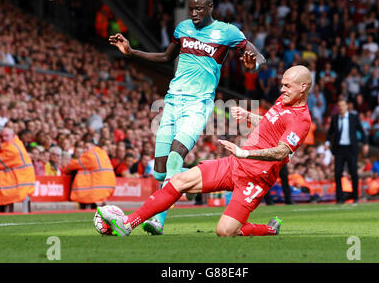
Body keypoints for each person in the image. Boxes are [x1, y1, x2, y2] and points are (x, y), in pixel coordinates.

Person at [108, 0, 265, 235]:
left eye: (199, 9)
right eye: (191, 8)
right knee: (160, 172)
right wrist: (131, 52)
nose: (193, 13)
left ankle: (158, 221)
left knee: (174, 159)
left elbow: (259, 59)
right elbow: (165, 57)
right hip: (171, 103)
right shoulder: (182, 29)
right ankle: (195, 182)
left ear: (211, 7)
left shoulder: (228, 32)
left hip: (198, 105)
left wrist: (252, 66)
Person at [97, 65, 311, 237]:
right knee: (179, 181)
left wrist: (245, 153)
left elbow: (282, 152)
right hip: (234, 164)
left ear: (303, 87)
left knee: (225, 231)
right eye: (282, 85)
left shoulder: (301, 120)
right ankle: (128, 223)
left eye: (288, 86)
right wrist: (249, 117)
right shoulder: (283, 102)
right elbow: (271, 123)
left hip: (255, 179)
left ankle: (269, 229)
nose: (282, 90)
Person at [0, 128, 35, 212]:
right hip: (23, 179)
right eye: (2, 136)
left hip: (20, 182)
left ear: (13, 136)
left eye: (6, 136)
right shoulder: (17, 143)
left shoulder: (12, 149)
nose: (4, 138)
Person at [326, 99, 368, 204]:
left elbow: (361, 131)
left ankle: (355, 198)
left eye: (343, 106)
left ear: (346, 107)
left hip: (351, 148)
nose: (341, 108)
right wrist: (327, 143)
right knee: (337, 173)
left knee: (354, 173)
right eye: (339, 106)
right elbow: (330, 132)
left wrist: (365, 143)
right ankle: (339, 198)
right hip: (339, 149)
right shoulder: (335, 118)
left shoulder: (353, 117)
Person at [65, 139, 116, 209]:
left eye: (86, 147)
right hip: (106, 188)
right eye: (84, 148)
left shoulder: (91, 155)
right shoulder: (102, 153)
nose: (85, 150)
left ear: (93, 146)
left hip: (96, 190)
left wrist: (65, 168)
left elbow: (73, 165)